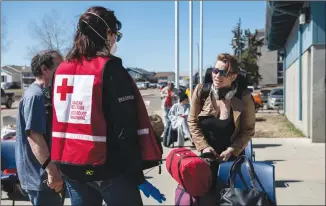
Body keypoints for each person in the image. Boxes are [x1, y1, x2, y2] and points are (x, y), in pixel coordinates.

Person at [50, 6, 164, 206]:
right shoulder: (109, 69)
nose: (115, 41)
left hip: (72, 168)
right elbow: (125, 130)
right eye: (115, 35)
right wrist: (137, 177)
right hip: (108, 169)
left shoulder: (62, 70)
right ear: (105, 34)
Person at [188, 53, 255, 199]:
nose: (217, 76)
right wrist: (204, 146)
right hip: (206, 159)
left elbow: (248, 130)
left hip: (232, 162)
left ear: (234, 76)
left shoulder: (244, 98)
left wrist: (232, 150)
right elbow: (192, 122)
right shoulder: (201, 91)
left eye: (223, 72)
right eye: (215, 71)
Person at [15, 50, 64, 206]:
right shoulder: (35, 96)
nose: (63, 71)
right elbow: (34, 137)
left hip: (43, 173)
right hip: (41, 176)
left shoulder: (43, 94)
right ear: (44, 69)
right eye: (59, 67)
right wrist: (51, 170)